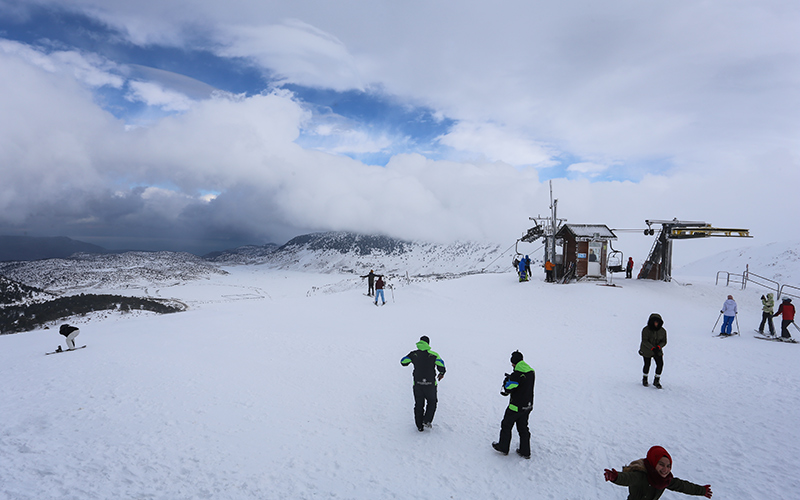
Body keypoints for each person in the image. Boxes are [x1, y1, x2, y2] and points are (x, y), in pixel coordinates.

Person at [604, 445, 713, 499]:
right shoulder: (641, 475)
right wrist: (616, 477)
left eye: (668, 466)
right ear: (653, 462)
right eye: (661, 464)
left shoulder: (665, 480)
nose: (665, 469)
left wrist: (701, 490)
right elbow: (629, 478)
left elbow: (683, 486)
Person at [492, 350, 535, 459]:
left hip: (515, 406)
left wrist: (507, 381)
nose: (512, 365)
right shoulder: (530, 372)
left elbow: (507, 389)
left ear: (514, 362)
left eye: (512, 363)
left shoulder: (516, 375)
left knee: (506, 425)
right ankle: (525, 451)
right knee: (523, 428)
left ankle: (503, 447)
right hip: (528, 406)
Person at [400, 336, 446, 431]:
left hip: (417, 384)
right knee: (432, 402)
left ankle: (419, 426)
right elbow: (441, 365)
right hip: (430, 384)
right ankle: (427, 420)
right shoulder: (433, 354)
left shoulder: (414, 354)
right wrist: (442, 373)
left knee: (418, 404)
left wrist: (411, 359)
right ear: (428, 343)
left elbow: (403, 362)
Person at [640, 313, 666, 388]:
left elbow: (664, 341)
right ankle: (645, 379)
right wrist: (652, 348)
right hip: (647, 350)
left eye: (657, 322)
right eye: (654, 321)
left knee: (660, 364)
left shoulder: (662, 331)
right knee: (647, 364)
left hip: (657, 350)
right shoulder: (646, 330)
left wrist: (658, 347)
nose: (656, 323)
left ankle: (656, 380)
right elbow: (644, 341)